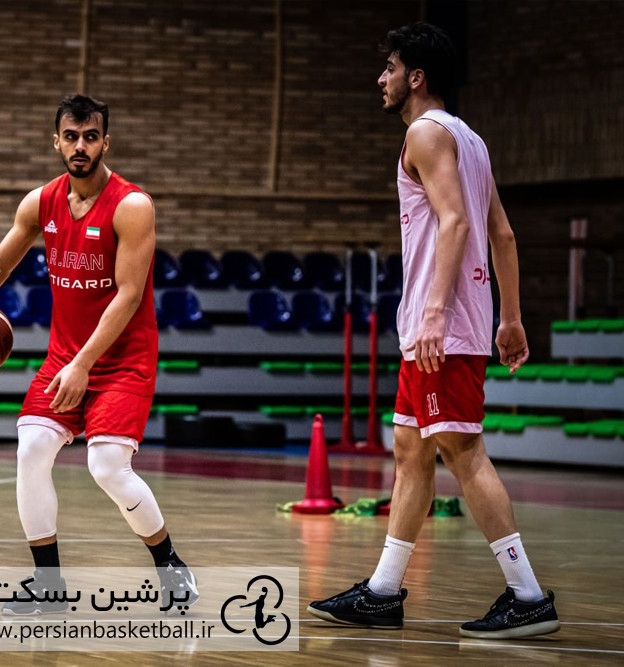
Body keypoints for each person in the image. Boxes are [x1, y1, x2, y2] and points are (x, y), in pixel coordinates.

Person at [307, 22, 559, 639]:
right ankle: (383, 591)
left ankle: (528, 595)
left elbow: (455, 224)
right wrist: (510, 317)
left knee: (463, 452)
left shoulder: (424, 133)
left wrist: (436, 314)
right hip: (442, 326)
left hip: (438, 329)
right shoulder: (471, 140)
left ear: (416, 77)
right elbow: (502, 234)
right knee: (410, 450)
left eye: (390, 68)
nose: (381, 79)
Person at [0, 94, 198, 615]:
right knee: (31, 449)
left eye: (90, 137)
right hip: (65, 358)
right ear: (56, 141)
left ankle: (170, 565)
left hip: (121, 361)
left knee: (107, 466)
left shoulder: (132, 206)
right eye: (71, 137)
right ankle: (48, 584)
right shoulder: (40, 202)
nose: (80, 146)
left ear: (105, 143)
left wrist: (84, 365)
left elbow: (128, 295)